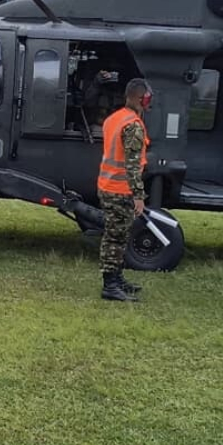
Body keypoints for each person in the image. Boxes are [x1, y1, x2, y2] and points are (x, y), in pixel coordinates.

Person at [96, 78, 152, 302]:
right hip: (120, 190)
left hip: (107, 185)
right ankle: (110, 285)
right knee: (115, 238)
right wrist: (138, 196)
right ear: (142, 98)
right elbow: (131, 165)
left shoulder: (115, 118)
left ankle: (117, 278)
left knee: (117, 235)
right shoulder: (134, 125)